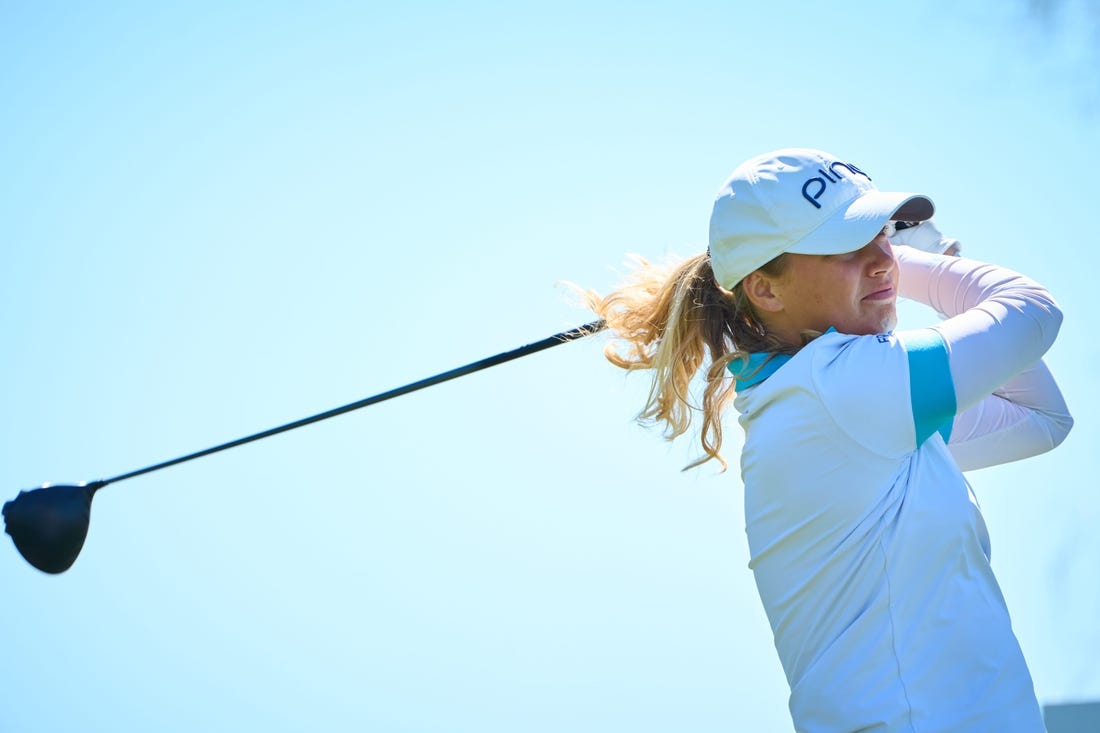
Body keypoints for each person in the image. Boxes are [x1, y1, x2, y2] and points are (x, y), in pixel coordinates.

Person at [584, 148, 1073, 732]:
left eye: (883, 233)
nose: (879, 258)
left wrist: (889, 262)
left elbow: (1039, 418)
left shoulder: (837, 402)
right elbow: (1032, 312)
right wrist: (915, 266)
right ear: (766, 290)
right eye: (847, 246)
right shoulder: (839, 387)